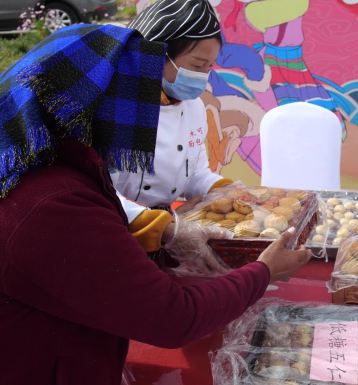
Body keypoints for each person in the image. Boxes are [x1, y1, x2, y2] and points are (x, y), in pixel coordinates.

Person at [0, 22, 311, 385]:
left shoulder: (43, 166)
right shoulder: (52, 204)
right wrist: (263, 272)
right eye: (133, 99)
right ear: (90, 105)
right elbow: (173, 317)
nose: (144, 117)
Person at [113, 0, 236, 270]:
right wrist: (163, 228)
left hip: (168, 237)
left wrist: (227, 191)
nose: (203, 76)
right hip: (115, 237)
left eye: (209, 67)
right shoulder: (114, 109)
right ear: (156, 54)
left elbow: (195, 172)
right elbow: (99, 194)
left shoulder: (193, 107)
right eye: (197, 64)